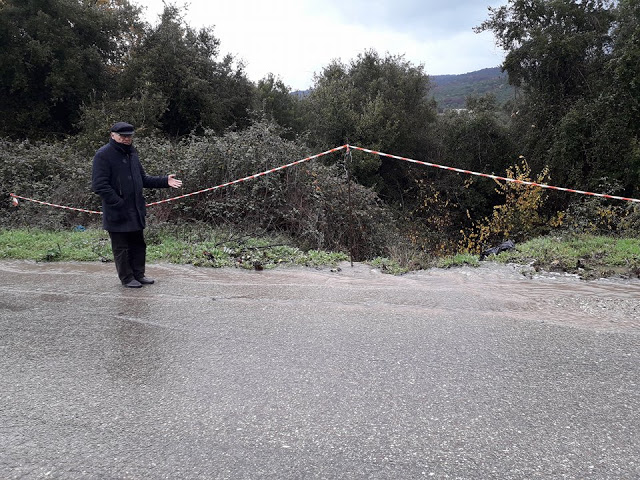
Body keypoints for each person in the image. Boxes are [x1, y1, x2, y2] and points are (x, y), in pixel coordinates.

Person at [92, 122, 183, 288]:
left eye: (129, 136)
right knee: (121, 247)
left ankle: (139, 275)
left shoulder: (132, 153)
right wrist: (118, 202)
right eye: (123, 136)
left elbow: (143, 179)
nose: (127, 139)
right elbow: (100, 185)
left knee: (138, 245)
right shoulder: (103, 155)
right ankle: (127, 278)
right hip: (117, 211)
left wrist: (164, 181)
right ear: (113, 135)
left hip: (135, 209)